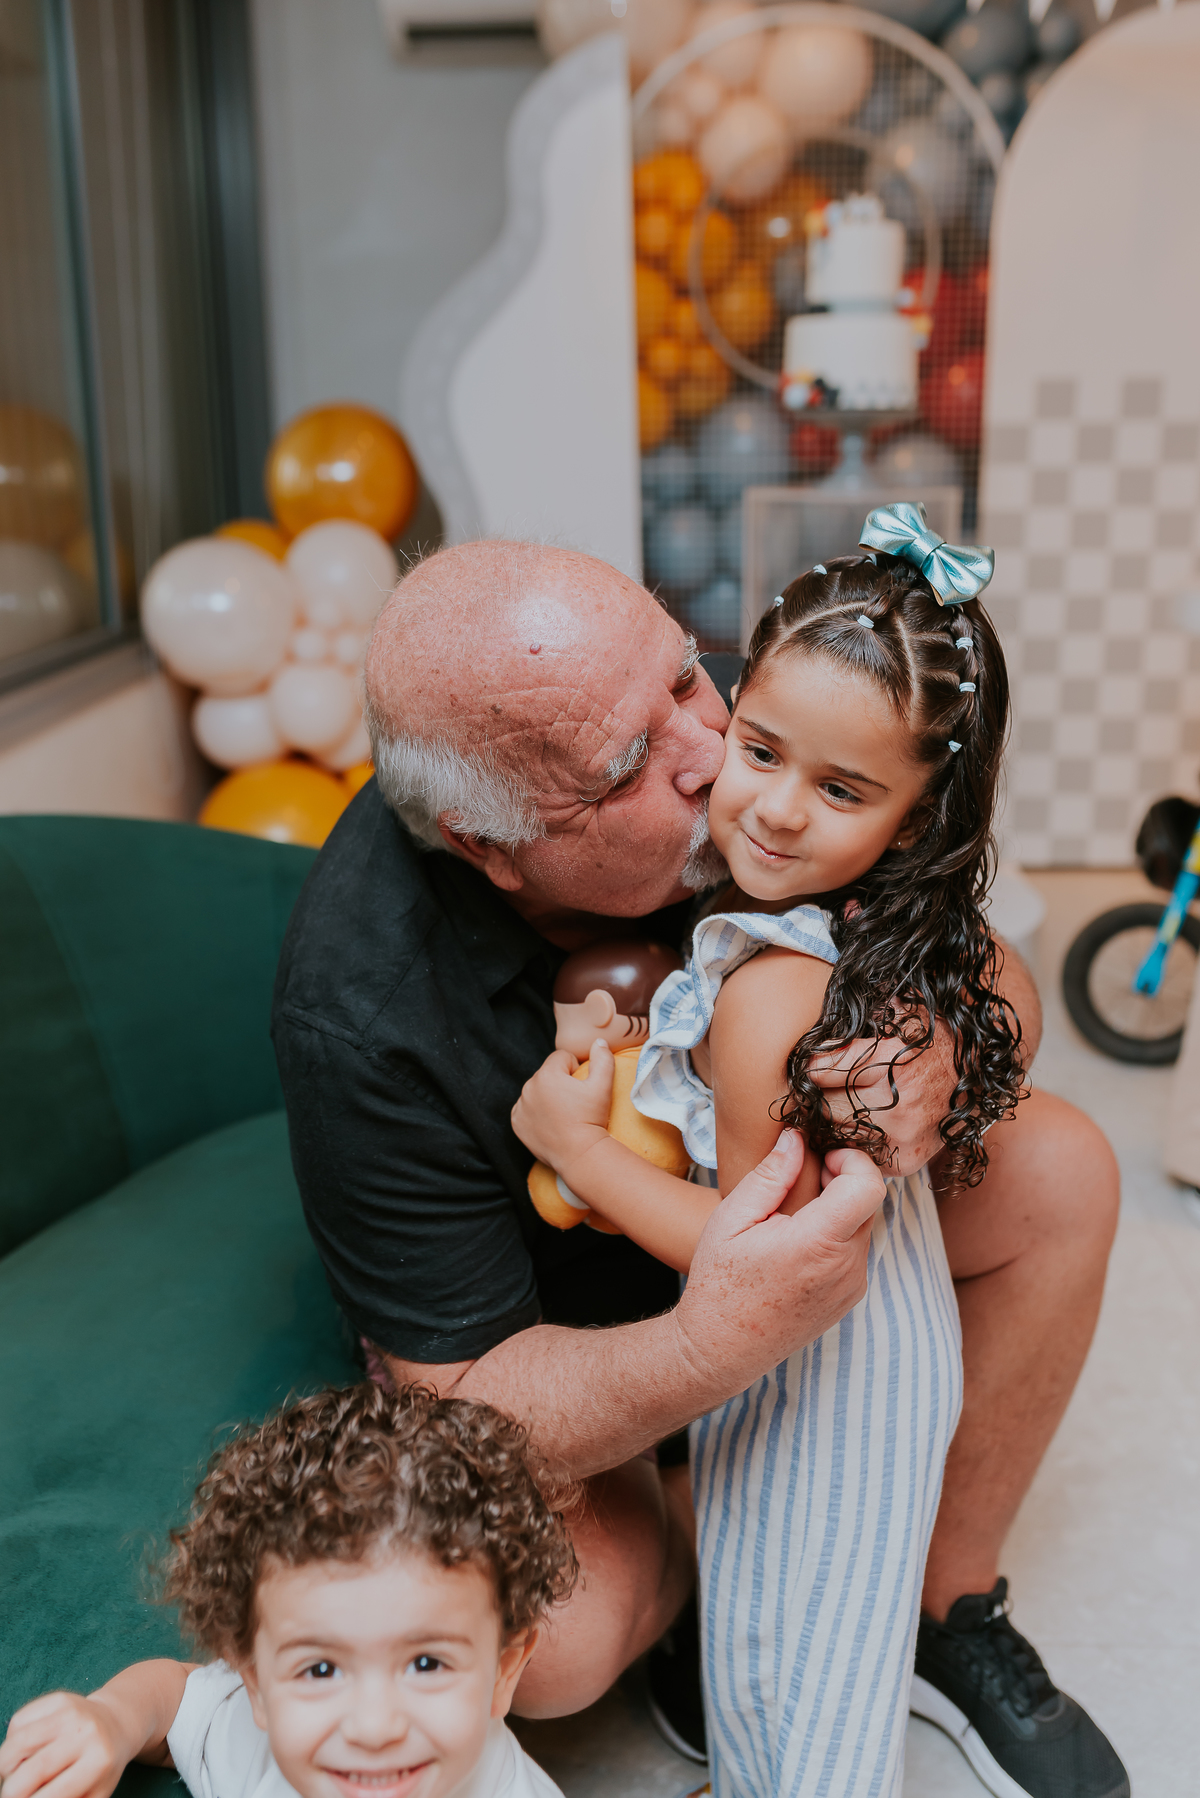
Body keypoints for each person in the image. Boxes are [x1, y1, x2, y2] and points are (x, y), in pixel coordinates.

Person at [269, 538, 1124, 1798]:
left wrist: (944, 1036)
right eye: (629, 767)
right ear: (494, 848)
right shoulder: (359, 1009)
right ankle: (709, 1586)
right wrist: (718, 1345)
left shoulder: (760, 723)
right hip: (579, 1332)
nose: (715, 755)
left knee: (1061, 1166)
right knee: (554, 1641)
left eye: (685, 675)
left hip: (766, 1223)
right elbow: (463, 1388)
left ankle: (942, 1607)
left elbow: (983, 956)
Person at [0, 1383, 577, 1798]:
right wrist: (110, 1719)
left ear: (504, 1670)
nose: (374, 1729)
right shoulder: (255, 1748)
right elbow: (177, 1700)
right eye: (320, 1671)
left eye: (426, 1662)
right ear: (254, 1682)